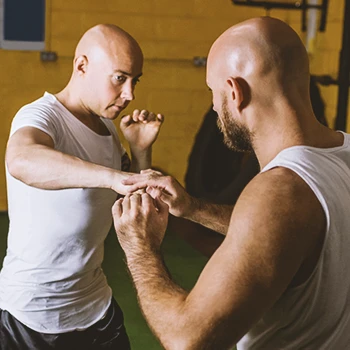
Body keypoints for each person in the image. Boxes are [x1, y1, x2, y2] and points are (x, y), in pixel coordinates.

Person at [112, 17, 350, 349]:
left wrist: (139, 247)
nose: (213, 105)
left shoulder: (280, 191)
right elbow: (286, 233)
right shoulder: (342, 154)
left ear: (235, 92)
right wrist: (193, 208)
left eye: (214, 92)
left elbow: (187, 339)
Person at [0, 24, 163, 349]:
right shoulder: (42, 116)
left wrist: (140, 150)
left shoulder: (106, 127)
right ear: (82, 66)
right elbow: (22, 159)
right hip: (30, 315)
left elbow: (136, 201)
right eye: (120, 78)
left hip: (95, 308)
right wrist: (112, 176)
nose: (130, 94)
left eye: (135, 81)